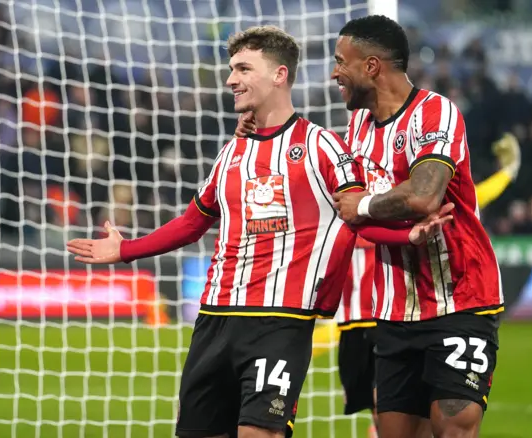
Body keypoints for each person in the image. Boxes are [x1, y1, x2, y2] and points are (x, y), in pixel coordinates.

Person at [67, 25, 451, 438]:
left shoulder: (323, 148)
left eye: (243, 69)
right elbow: (193, 223)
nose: (231, 79)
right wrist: (127, 250)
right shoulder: (233, 151)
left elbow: (358, 219)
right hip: (214, 320)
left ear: (279, 74)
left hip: (280, 324)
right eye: (232, 69)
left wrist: (406, 236)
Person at [329, 16, 503, 438]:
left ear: (371, 66)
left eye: (341, 62)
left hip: (460, 300)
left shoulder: (434, 112)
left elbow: (425, 195)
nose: (335, 73)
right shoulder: (357, 128)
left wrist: (366, 203)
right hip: (392, 311)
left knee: (453, 428)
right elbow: (353, 219)